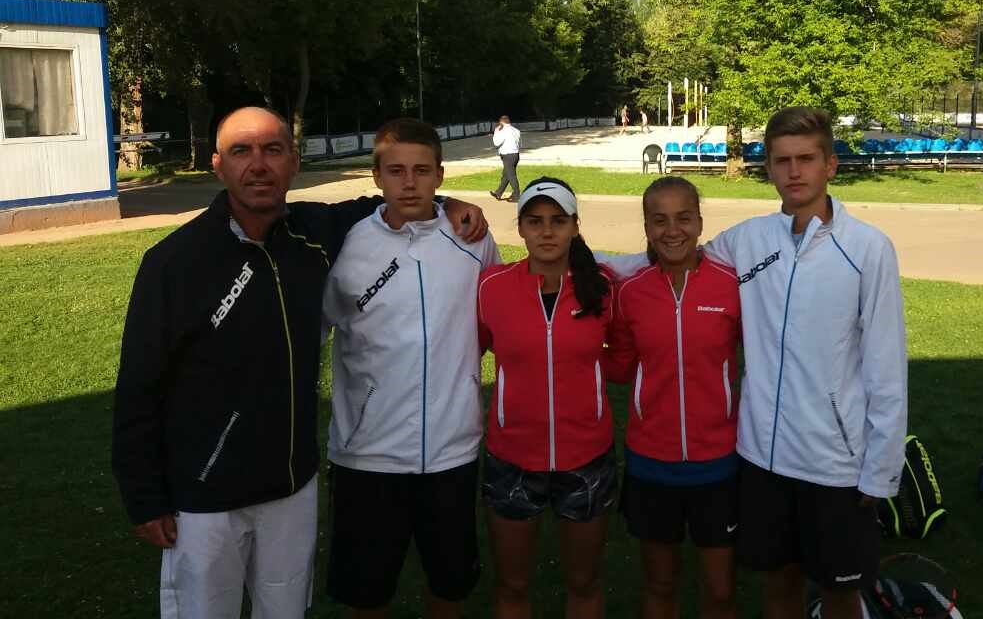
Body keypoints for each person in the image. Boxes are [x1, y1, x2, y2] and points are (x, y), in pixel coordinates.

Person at [112, 106, 487, 619]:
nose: (258, 165)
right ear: (218, 165)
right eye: (241, 151)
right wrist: (144, 495)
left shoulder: (315, 233)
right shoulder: (173, 262)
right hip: (204, 491)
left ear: (293, 162)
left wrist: (448, 202)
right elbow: (139, 386)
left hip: (290, 485)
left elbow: (394, 200)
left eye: (273, 150)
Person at [603, 107, 907, 619]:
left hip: (836, 462)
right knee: (779, 586)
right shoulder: (749, 240)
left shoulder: (869, 249)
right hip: (762, 459)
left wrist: (881, 471)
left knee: (839, 593)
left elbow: (887, 365)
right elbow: (676, 256)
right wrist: (576, 262)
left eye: (806, 159)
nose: (794, 171)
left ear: (831, 164)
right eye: (782, 161)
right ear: (768, 168)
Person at [321, 118, 500, 618]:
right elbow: (314, 330)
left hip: (451, 452)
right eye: (396, 171)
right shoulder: (347, 245)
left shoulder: (472, 238)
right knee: (366, 595)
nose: (409, 182)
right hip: (366, 455)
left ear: (440, 176)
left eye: (422, 171)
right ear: (376, 175)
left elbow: (493, 321)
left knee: (449, 588)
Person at [476, 177, 617, 619]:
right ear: (520, 228)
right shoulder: (491, 286)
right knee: (512, 585)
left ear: (575, 226)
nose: (547, 231)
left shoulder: (603, 286)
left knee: (584, 582)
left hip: (587, 458)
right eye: (535, 221)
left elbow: (623, 354)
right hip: (512, 458)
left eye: (558, 221)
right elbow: (470, 351)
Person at [605, 176, 742, 619]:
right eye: (659, 220)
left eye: (683, 218)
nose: (672, 230)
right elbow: (619, 366)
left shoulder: (731, 286)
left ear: (700, 223)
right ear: (646, 227)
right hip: (651, 463)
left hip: (718, 462)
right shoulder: (630, 291)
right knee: (660, 585)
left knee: (720, 589)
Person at [491, 115, 522, 202]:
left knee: (511, 176)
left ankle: (517, 195)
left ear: (501, 122)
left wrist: (496, 131)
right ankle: (498, 193)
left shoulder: (503, 131)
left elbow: (496, 143)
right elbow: (520, 144)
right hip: (515, 155)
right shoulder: (516, 130)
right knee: (506, 175)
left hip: (507, 156)